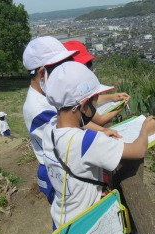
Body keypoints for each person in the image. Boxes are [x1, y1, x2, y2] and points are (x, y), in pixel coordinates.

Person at [42, 61, 155, 228]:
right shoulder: (86, 142)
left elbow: (72, 131)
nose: (96, 107)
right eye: (95, 101)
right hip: (85, 225)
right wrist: (145, 130)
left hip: (61, 219)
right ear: (83, 105)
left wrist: (101, 131)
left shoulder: (50, 129)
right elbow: (138, 151)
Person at [22, 36, 123, 204]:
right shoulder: (39, 109)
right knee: (67, 218)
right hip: (57, 169)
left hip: (64, 163)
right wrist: (102, 132)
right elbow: (73, 130)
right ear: (42, 73)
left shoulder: (48, 94)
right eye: (61, 67)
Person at [63, 40, 130, 126]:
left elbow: (91, 99)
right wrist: (121, 106)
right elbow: (100, 120)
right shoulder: (72, 90)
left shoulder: (67, 84)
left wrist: (112, 97)